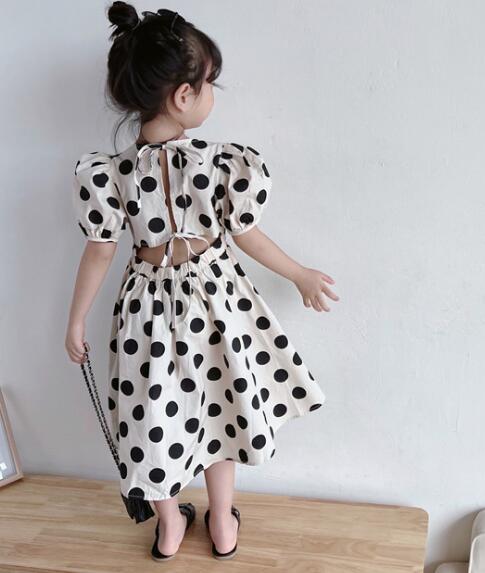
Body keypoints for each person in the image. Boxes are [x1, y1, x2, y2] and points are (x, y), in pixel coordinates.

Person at [64, 1, 338, 562]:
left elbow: (100, 251)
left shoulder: (111, 173)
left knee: (152, 415)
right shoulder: (220, 164)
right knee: (221, 405)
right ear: (184, 96)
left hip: (145, 310)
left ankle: (169, 527)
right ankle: (221, 521)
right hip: (214, 300)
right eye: (210, 83)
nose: (213, 94)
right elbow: (247, 235)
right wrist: (299, 274)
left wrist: (75, 320)